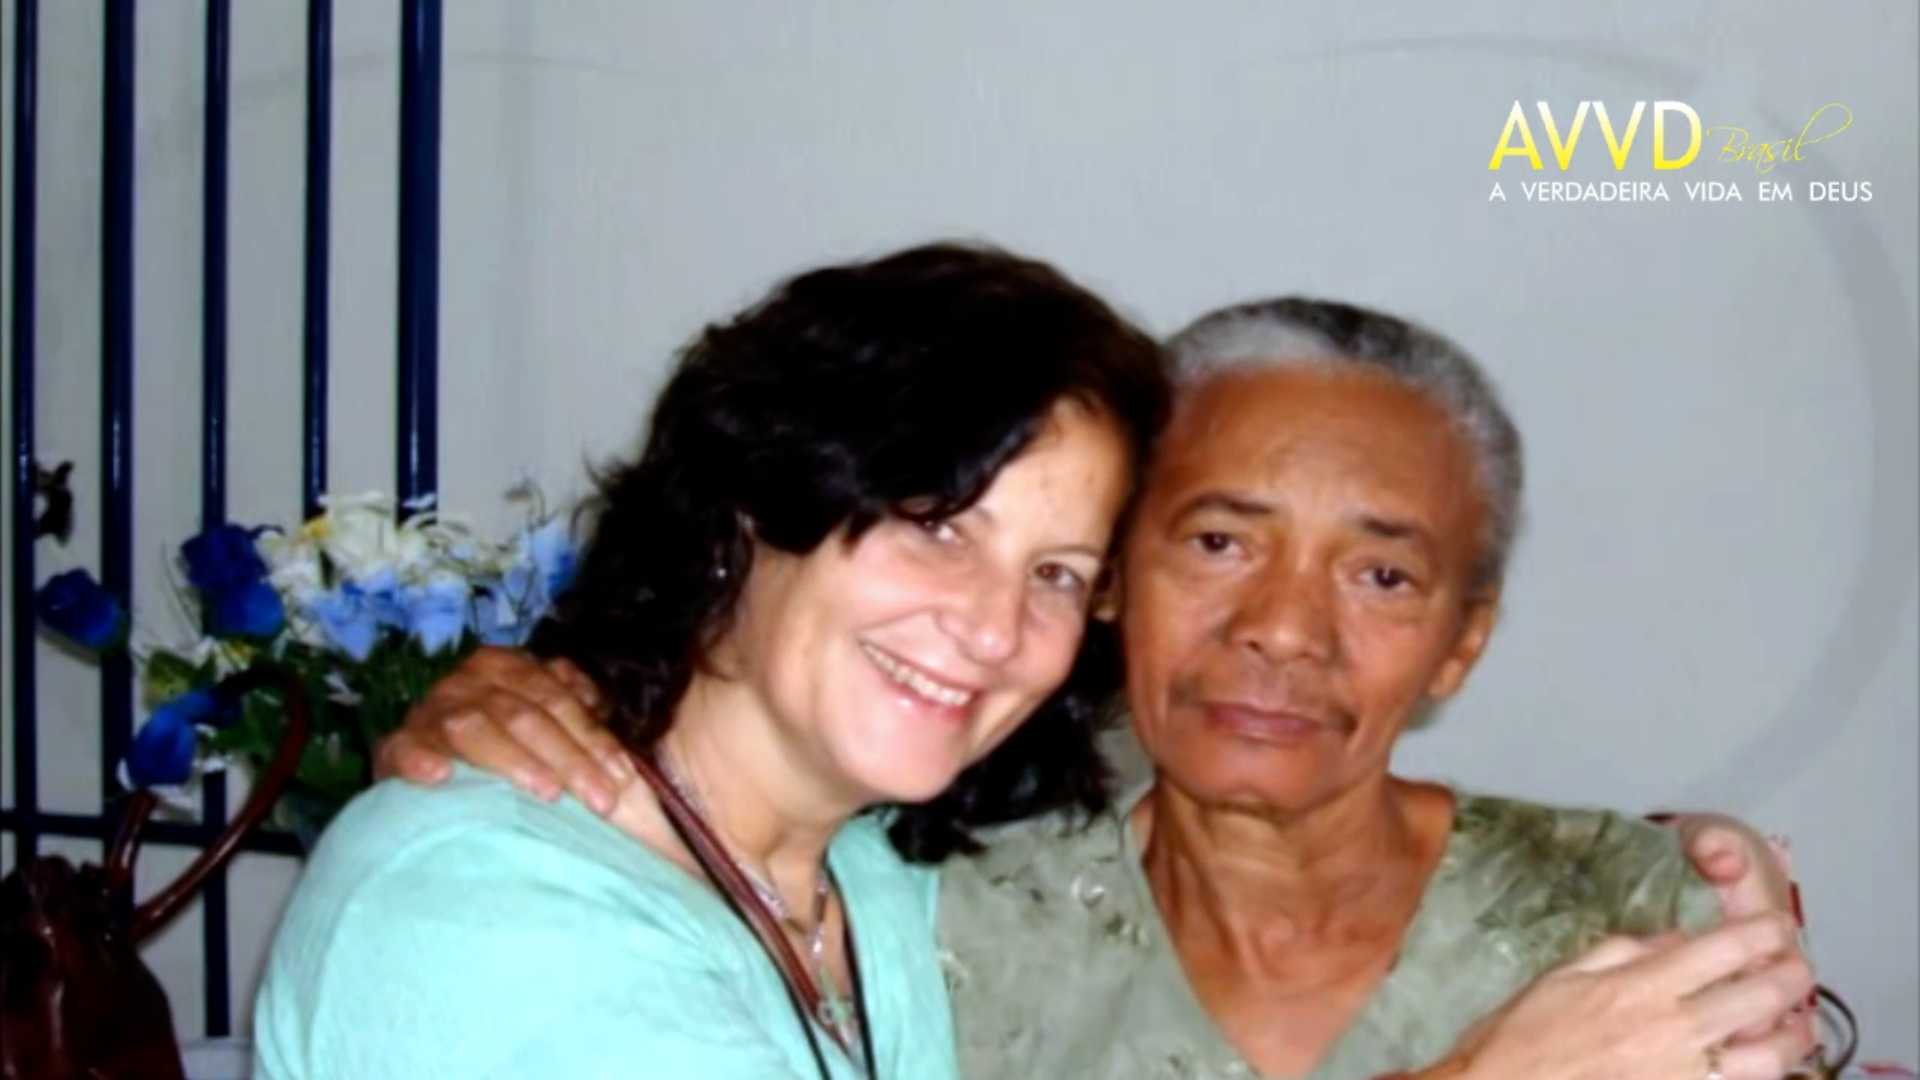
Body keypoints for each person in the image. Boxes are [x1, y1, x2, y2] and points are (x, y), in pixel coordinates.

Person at [383, 291, 1818, 1080]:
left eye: (1381, 575)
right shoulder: (965, 916)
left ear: (1463, 641)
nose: (1284, 631)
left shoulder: (1627, 922)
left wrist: (1679, 860)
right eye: (1219, 542)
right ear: (1131, 586)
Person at [252, 241, 1169, 1079]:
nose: (996, 629)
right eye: (937, 525)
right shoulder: (479, 899)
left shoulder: (886, 880)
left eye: (1057, 573)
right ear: (756, 500)